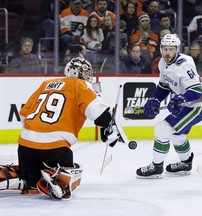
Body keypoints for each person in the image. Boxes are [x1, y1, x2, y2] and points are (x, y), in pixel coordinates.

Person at [0, 57, 118, 199]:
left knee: (30, 181)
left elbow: (24, 114)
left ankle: (23, 179)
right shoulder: (80, 85)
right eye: (86, 73)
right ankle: (56, 178)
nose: (88, 77)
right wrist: (110, 127)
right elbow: (99, 113)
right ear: (78, 73)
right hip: (55, 150)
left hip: (25, 146)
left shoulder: (46, 83)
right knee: (74, 169)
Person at [136, 34, 202, 178]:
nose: (167, 53)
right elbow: (163, 86)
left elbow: (196, 91)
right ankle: (186, 163)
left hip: (196, 107)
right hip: (184, 105)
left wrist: (179, 99)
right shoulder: (162, 62)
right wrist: (155, 99)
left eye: (171, 49)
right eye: (165, 49)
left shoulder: (185, 64)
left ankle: (156, 167)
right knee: (177, 134)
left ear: (177, 49)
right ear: (161, 49)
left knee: (163, 129)